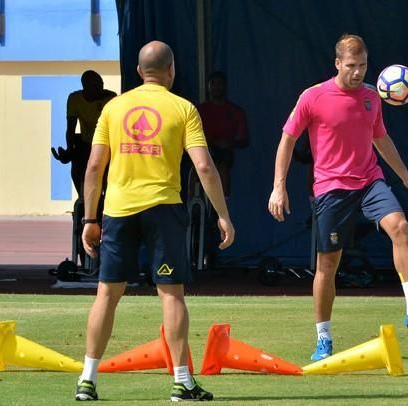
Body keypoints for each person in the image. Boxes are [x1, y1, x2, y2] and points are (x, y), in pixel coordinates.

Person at [76, 41, 234, 402]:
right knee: (171, 295)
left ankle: (87, 380)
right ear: (172, 71)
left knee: (106, 295)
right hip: (163, 210)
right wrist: (222, 215)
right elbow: (205, 166)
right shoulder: (183, 108)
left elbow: (94, 166)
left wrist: (89, 218)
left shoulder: (114, 107)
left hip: (118, 209)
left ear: (137, 71)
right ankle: (181, 382)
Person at [268, 34, 408, 361]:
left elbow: (381, 138)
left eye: (362, 65)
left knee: (400, 226)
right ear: (337, 64)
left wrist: (406, 178)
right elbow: (287, 140)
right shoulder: (313, 97)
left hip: (370, 181)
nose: (358, 72)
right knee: (328, 265)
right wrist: (279, 186)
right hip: (332, 188)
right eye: (351, 66)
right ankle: (323, 338)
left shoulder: (373, 97)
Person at [52, 70, 116, 198]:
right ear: (85, 88)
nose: (100, 89)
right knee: (77, 162)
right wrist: (70, 150)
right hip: (87, 144)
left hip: (107, 145)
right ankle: (83, 198)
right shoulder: (75, 99)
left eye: (101, 85)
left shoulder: (110, 98)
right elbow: (70, 128)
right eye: (96, 87)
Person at [196, 71, 248, 199]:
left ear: (225, 86)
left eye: (220, 84)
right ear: (208, 87)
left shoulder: (235, 112)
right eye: (213, 84)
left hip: (223, 154)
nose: (216, 87)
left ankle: (223, 206)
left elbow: (244, 140)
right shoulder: (200, 111)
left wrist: (229, 143)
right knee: (195, 169)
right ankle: (194, 204)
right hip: (203, 151)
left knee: (222, 168)